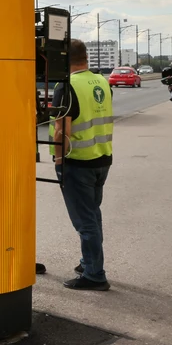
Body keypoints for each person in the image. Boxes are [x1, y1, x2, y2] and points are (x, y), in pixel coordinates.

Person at [50, 38, 113, 290]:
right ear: (85, 57)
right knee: (93, 215)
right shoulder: (102, 81)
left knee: (85, 221)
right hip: (102, 158)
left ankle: (94, 275)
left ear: (64, 59)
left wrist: (58, 160)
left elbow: (60, 130)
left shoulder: (66, 86)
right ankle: (89, 260)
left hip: (78, 162)